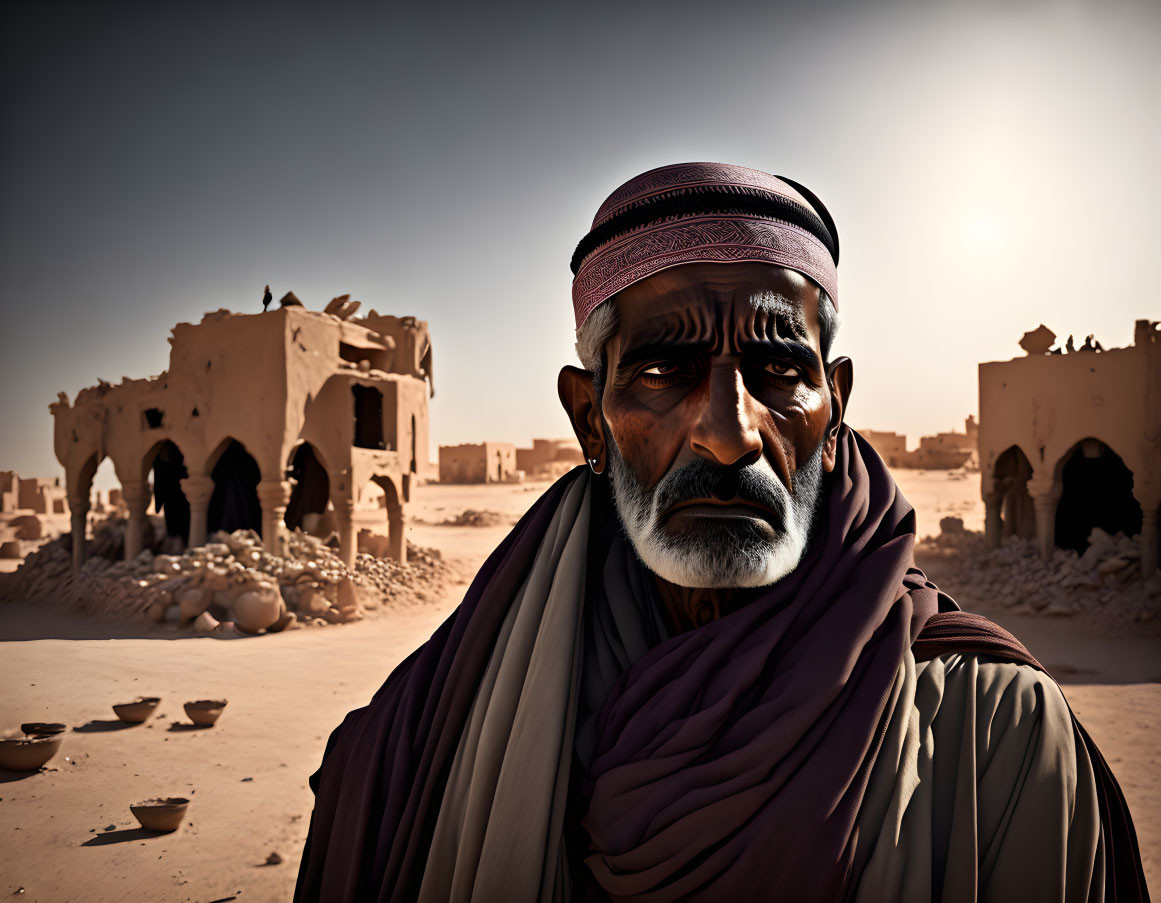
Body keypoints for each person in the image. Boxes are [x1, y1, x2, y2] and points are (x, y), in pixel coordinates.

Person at [295, 163, 1148, 902]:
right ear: (590, 418)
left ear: (835, 406)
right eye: (663, 370)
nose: (729, 431)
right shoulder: (423, 736)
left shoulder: (992, 738)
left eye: (781, 371)